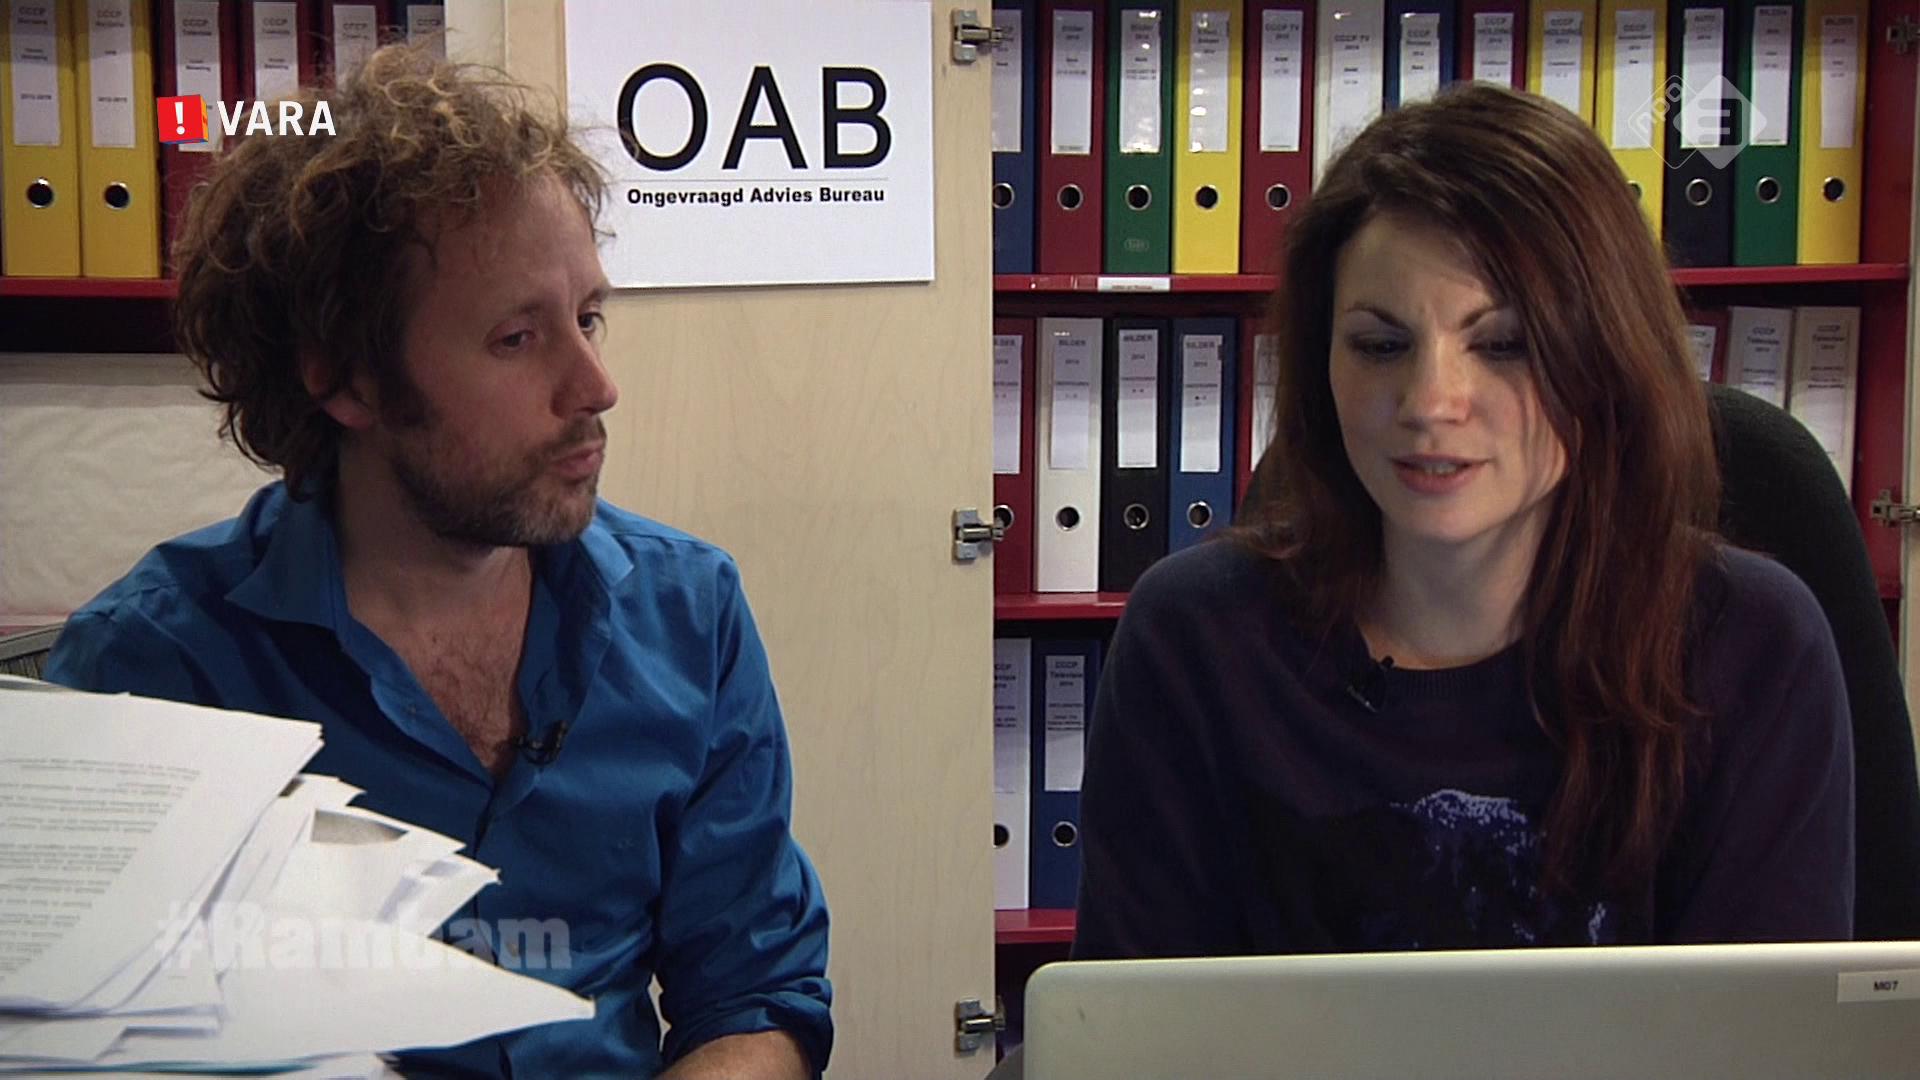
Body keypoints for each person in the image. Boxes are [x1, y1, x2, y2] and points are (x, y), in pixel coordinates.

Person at [46, 47, 831, 1079]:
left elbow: (755, 997)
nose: (595, 386)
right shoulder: (151, 672)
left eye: (588, 318)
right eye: (517, 338)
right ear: (349, 383)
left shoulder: (688, 612)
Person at [1072, 83, 1854, 961]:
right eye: (1380, 345)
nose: (1430, 403)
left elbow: (1763, 1028)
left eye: (1504, 344)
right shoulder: (1194, 642)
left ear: (1605, 356)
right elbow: (1135, 1023)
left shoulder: (1749, 649)